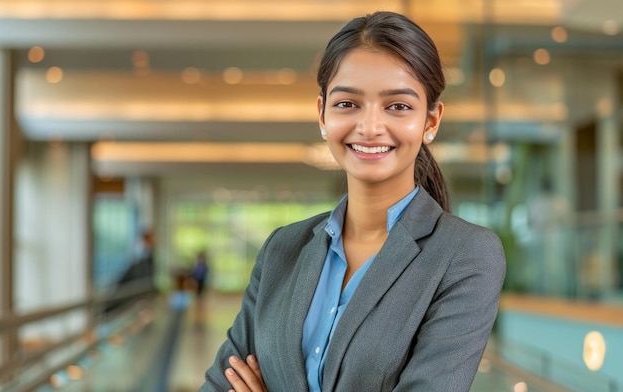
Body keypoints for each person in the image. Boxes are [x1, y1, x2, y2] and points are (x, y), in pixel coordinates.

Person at [199, 10, 506, 392]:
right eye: (348, 104)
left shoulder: (465, 254)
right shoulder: (283, 249)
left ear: (431, 122)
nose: (370, 126)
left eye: (398, 106)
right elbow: (219, 383)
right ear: (322, 114)